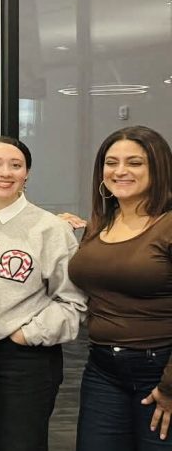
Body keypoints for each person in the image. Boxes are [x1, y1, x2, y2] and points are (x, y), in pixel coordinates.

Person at [0, 136, 86, 451]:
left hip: (25, 360)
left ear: (27, 173)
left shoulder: (50, 228)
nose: (5, 172)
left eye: (16, 165)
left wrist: (26, 335)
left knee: (21, 443)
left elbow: (73, 301)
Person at [68, 125, 172, 450]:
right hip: (102, 369)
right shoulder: (100, 224)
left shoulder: (167, 225)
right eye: (111, 162)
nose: (120, 170)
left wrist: (171, 385)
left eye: (135, 162)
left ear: (158, 167)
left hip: (160, 370)